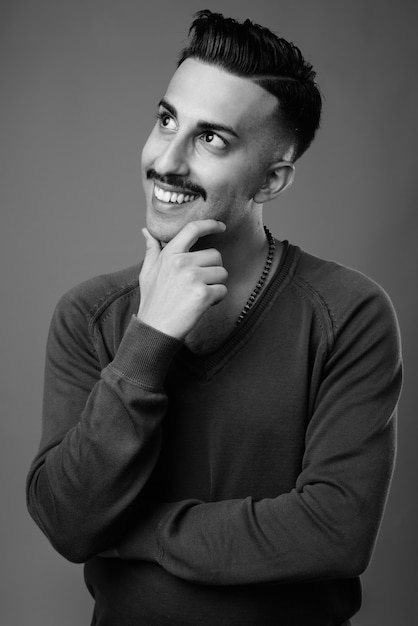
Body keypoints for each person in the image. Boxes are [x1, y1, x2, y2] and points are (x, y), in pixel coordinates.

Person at [26, 10, 402, 626]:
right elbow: (68, 524)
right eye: (166, 120)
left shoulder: (348, 312)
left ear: (272, 180)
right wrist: (147, 343)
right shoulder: (91, 316)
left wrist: (136, 531)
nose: (165, 160)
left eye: (211, 139)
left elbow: (336, 531)